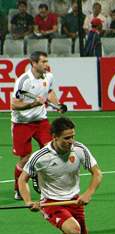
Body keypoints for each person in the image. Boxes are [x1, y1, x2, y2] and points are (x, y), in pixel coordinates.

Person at [18, 117, 102, 234]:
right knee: (74, 231)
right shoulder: (40, 157)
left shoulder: (79, 149)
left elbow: (97, 173)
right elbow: (22, 179)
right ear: (54, 137)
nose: (71, 141)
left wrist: (88, 193)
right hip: (52, 203)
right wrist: (28, 201)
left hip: (74, 201)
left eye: (73, 136)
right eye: (66, 138)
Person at [10, 51, 65, 200]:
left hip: (41, 121)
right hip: (22, 123)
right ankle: (19, 188)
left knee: (50, 151)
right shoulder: (24, 81)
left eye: (47, 61)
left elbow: (50, 91)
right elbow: (14, 104)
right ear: (34, 64)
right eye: (43, 62)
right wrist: (34, 103)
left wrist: (56, 104)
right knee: (25, 158)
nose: (47, 64)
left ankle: (45, 184)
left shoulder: (49, 76)